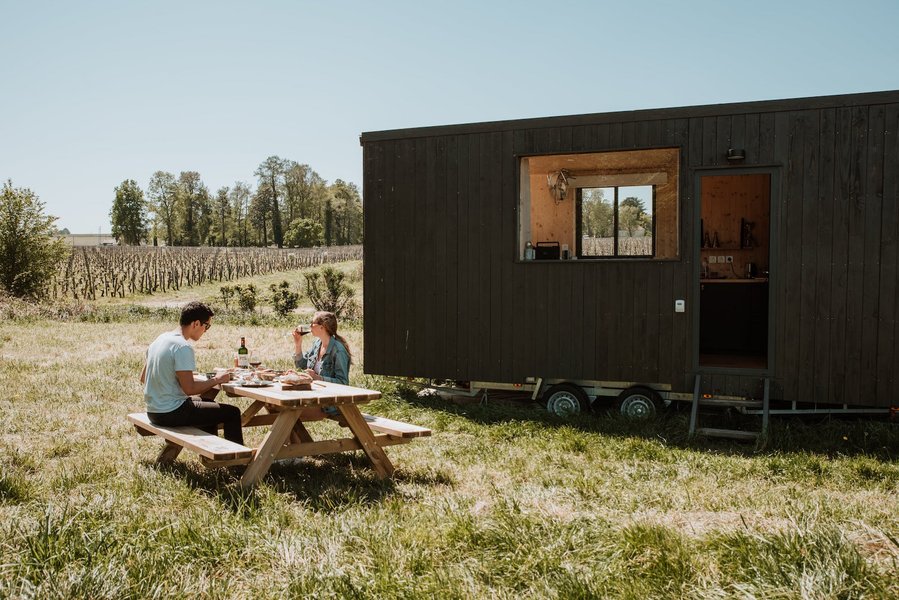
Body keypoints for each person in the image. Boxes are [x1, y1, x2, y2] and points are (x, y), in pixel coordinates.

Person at [139, 301, 244, 445]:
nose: (206, 331)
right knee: (232, 413)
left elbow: (143, 378)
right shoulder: (182, 346)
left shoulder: (160, 339)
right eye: (206, 326)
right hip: (171, 412)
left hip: (153, 411)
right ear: (196, 323)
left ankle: (211, 451)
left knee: (209, 406)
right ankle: (236, 457)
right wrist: (217, 380)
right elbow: (190, 389)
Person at [292, 311, 351, 385]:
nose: (310, 326)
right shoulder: (317, 344)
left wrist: (317, 378)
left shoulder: (338, 351)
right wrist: (298, 345)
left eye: (312, 323)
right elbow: (301, 366)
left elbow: (343, 382)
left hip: (330, 392)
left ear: (322, 327)